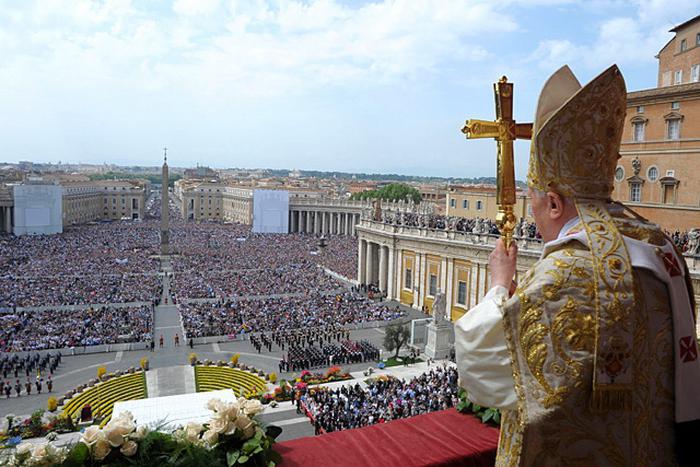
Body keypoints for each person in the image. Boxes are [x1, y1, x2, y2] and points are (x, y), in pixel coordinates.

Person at [455, 64, 700, 466]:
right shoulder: (657, 245)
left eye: (534, 206)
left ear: (553, 203)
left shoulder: (564, 271)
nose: (534, 219)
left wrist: (499, 286)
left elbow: (487, 373)